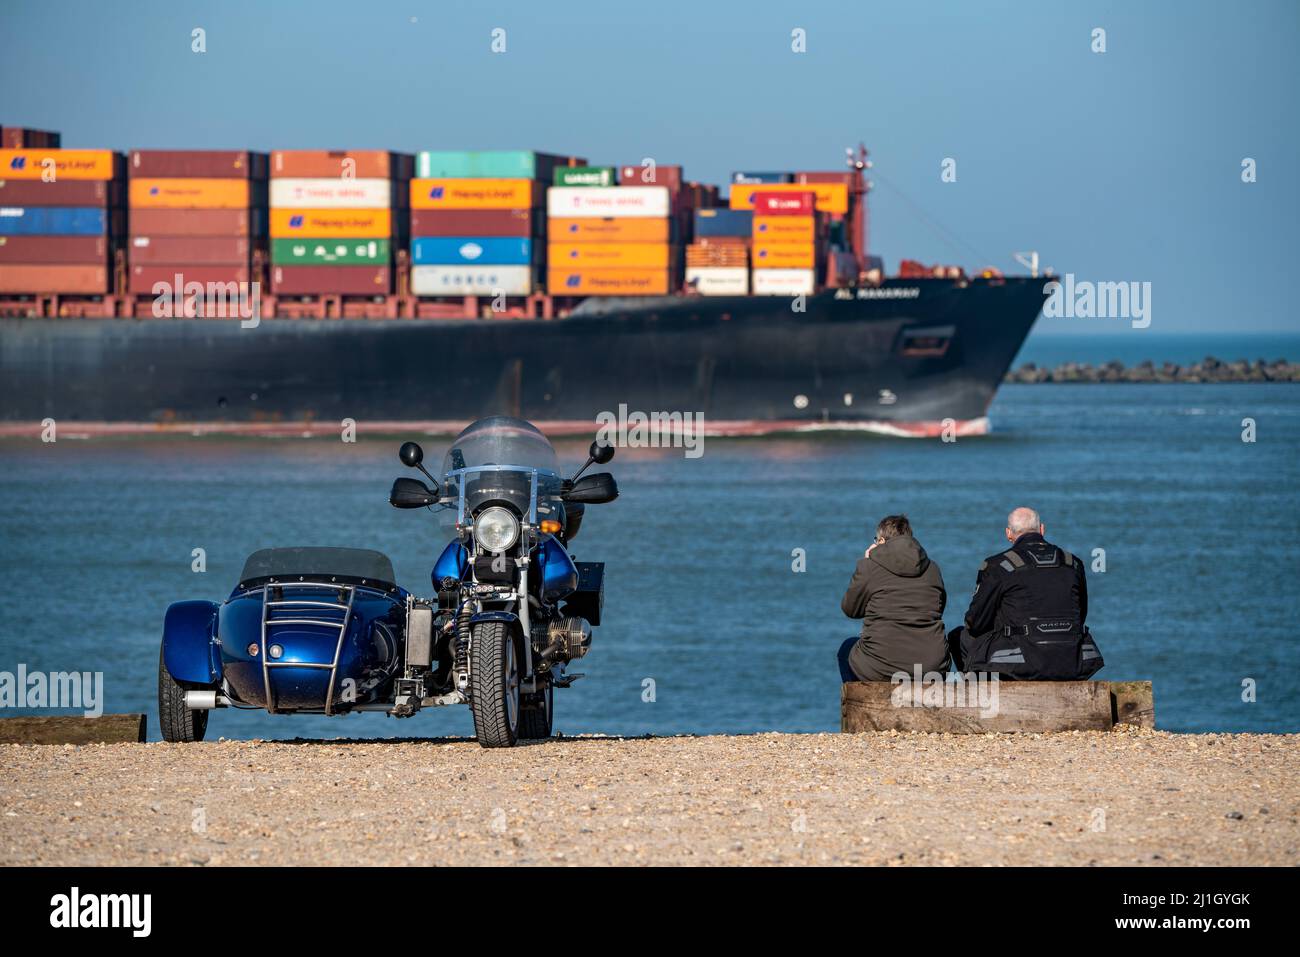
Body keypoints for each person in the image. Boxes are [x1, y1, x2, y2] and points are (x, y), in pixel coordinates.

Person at [947, 507, 1104, 679]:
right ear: (1042, 529)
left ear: (1008, 533)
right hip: (1072, 661)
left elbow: (975, 623)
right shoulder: (1073, 563)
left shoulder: (997, 566)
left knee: (958, 636)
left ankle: (983, 700)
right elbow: (1081, 615)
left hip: (1021, 664)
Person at [837, 515, 950, 681]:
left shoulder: (869, 565)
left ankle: (860, 704)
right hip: (931, 666)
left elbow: (850, 609)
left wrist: (867, 561)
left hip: (881, 665)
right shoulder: (933, 568)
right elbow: (939, 608)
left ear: (881, 541)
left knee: (846, 649)